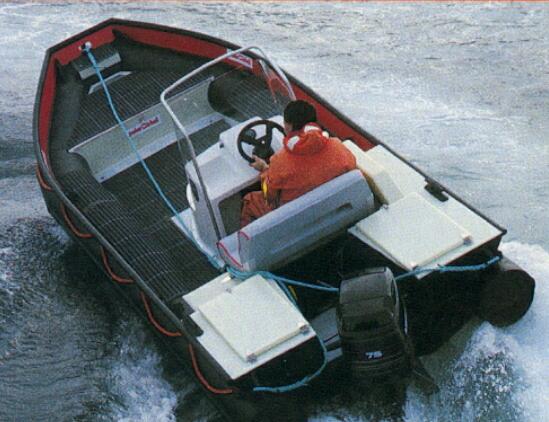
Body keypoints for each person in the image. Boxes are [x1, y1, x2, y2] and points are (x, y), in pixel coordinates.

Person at [240, 100, 357, 227]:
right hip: (334, 208)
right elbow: (351, 167)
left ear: (289, 127)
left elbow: (269, 196)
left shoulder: (280, 161)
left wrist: (264, 169)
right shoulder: (337, 146)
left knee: (249, 200)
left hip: (295, 221)